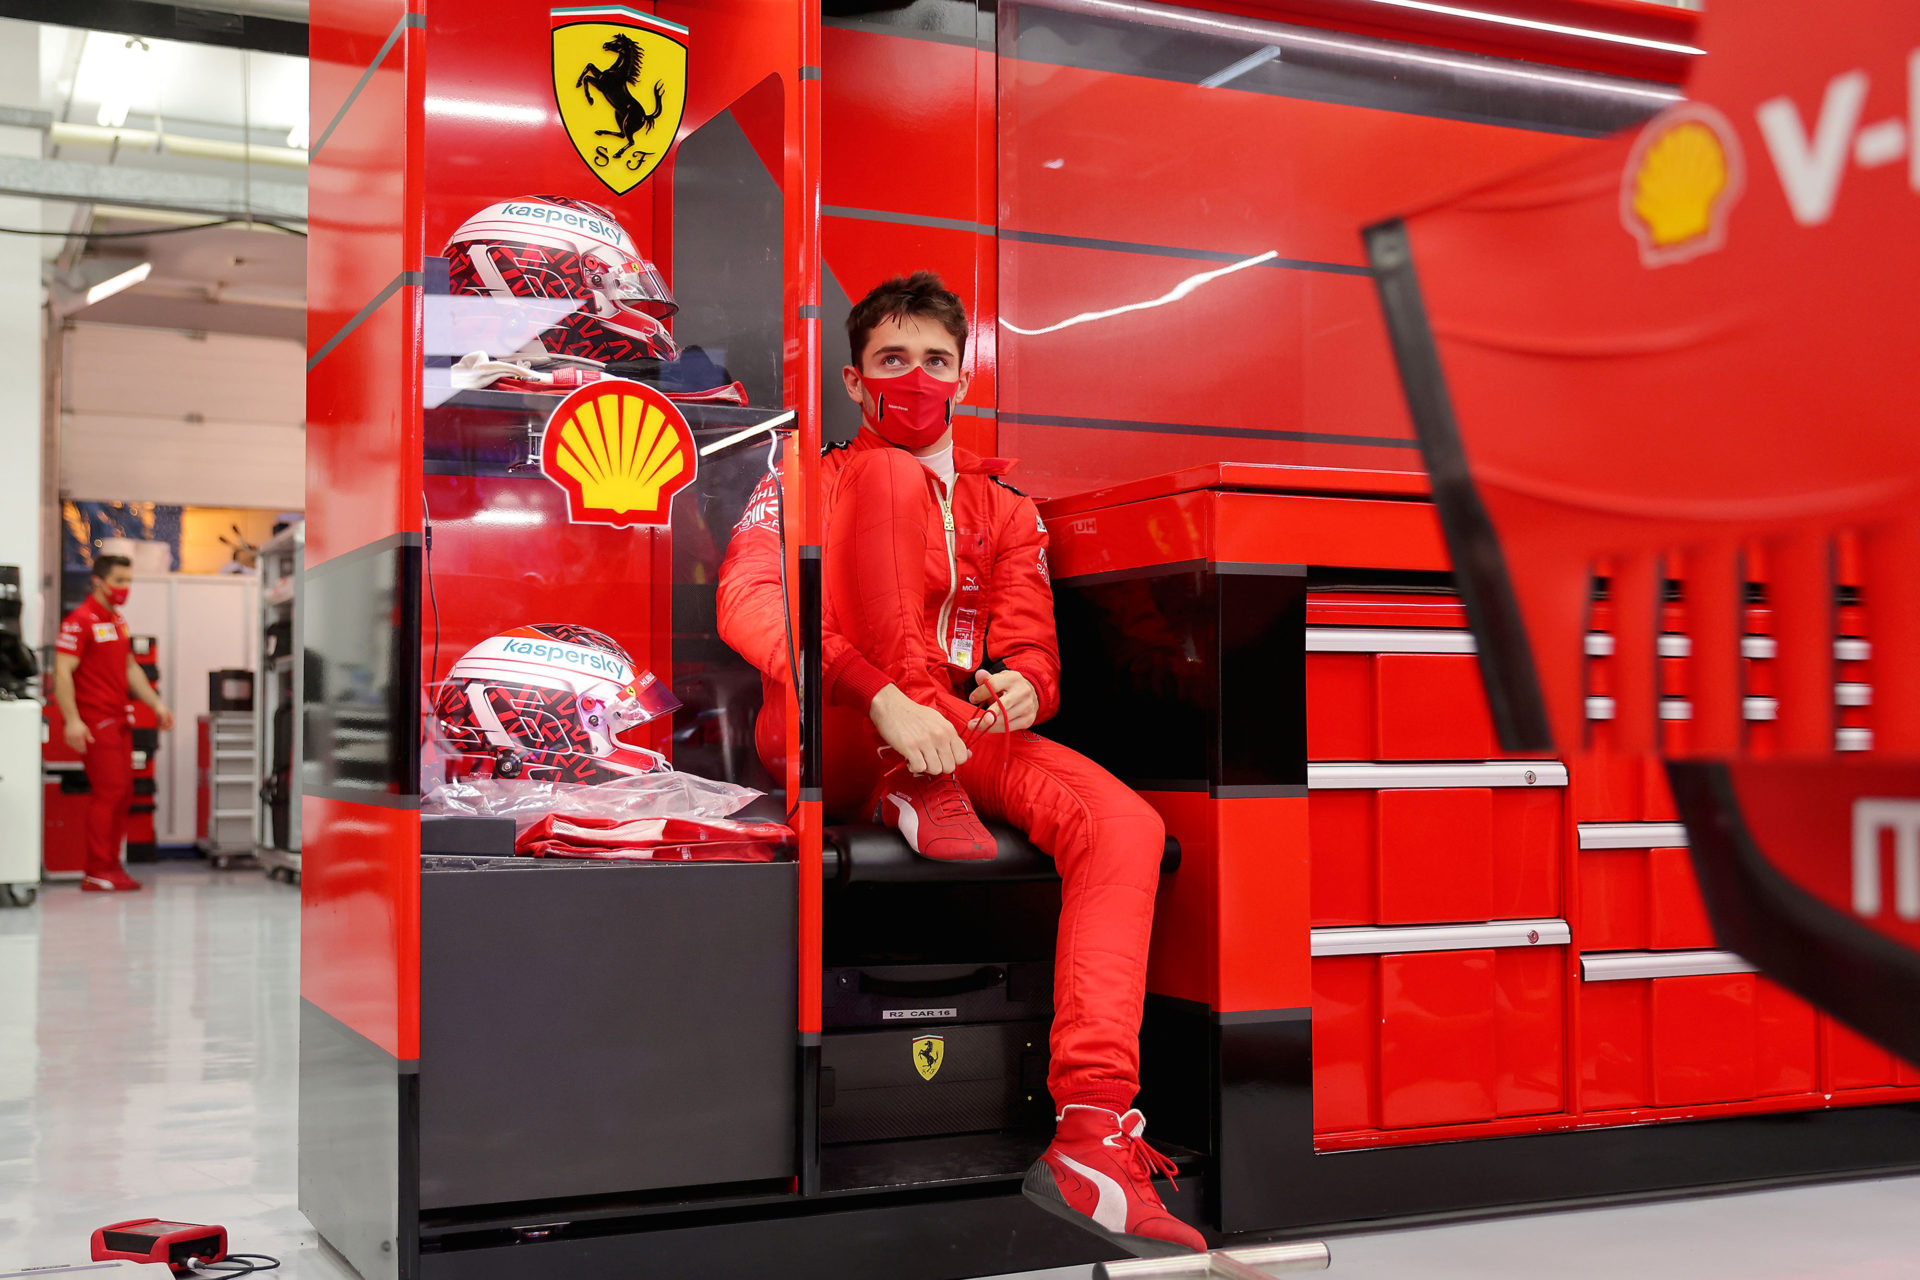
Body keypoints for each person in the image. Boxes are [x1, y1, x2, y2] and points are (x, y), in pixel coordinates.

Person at [717, 272, 1204, 1253]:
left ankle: (1093, 1133)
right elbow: (747, 601)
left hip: (951, 731)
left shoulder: (1008, 507)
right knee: (890, 477)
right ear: (857, 382)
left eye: (936, 361)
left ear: (964, 374)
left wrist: (1025, 686)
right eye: (894, 361)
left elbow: (1033, 650)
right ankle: (910, 776)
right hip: (843, 729)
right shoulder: (806, 474)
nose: (917, 379)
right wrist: (878, 690)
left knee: (1126, 825)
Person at [53, 555, 174, 893]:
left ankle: (111, 865)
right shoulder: (79, 621)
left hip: (120, 718)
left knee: (123, 795)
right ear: (98, 581)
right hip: (95, 720)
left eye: (128, 581)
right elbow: (63, 672)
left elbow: (130, 668)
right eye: (119, 581)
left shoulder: (117, 621)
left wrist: (155, 703)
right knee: (108, 794)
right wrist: (72, 721)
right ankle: (96, 870)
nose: (125, 588)